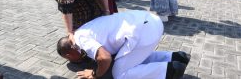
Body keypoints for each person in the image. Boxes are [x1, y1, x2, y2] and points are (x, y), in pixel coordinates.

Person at [57, 10, 190, 79]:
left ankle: (170, 70)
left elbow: (105, 58)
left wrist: (94, 74)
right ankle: (175, 57)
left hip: (143, 32)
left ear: (69, 53)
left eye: (69, 59)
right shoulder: (83, 29)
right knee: (132, 59)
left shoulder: (80, 40)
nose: (73, 61)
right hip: (150, 21)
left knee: (119, 74)